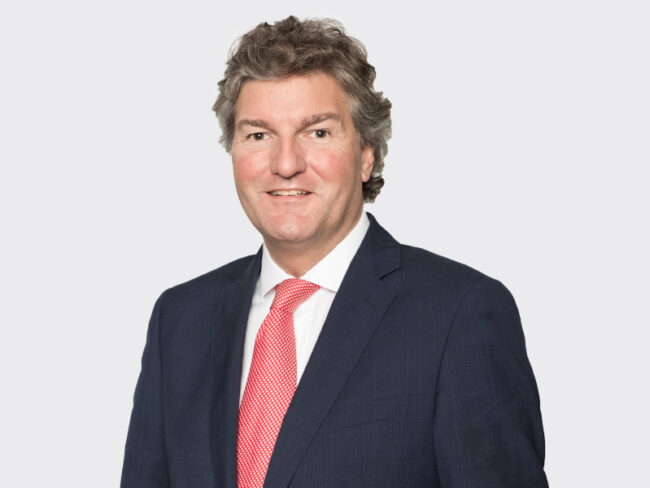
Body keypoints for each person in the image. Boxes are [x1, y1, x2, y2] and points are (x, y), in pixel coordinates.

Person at [121, 16, 549, 488]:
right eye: (259, 135)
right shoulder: (179, 320)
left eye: (317, 132)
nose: (286, 164)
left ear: (366, 153)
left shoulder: (458, 314)